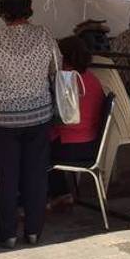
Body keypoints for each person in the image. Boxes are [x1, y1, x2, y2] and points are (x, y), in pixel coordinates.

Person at [0, 0, 58, 249]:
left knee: (8, 176)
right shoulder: (44, 34)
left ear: (1, 11)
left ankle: (8, 233)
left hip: (6, 118)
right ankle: (34, 230)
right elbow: (56, 69)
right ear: (28, 8)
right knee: (36, 175)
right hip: (38, 113)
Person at [48, 36, 105, 210]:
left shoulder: (67, 81)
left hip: (71, 144)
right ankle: (61, 193)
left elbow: (60, 120)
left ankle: (41, 197)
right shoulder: (92, 78)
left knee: (32, 148)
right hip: (91, 143)